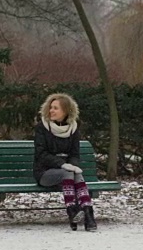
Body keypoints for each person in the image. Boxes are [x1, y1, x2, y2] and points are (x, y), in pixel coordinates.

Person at [33, 93, 97, 231]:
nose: (51, 111)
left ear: (66, 111)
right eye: (51, 107)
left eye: (56, 108)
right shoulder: (41, 128)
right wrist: (62, 164)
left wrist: (72, 165)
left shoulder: (73, 128)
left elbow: (75, 154)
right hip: (45, 172)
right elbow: (41, 154)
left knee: (76, 174)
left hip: (67, 171)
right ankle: (73, 212)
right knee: (68, 173)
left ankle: (87, 214)